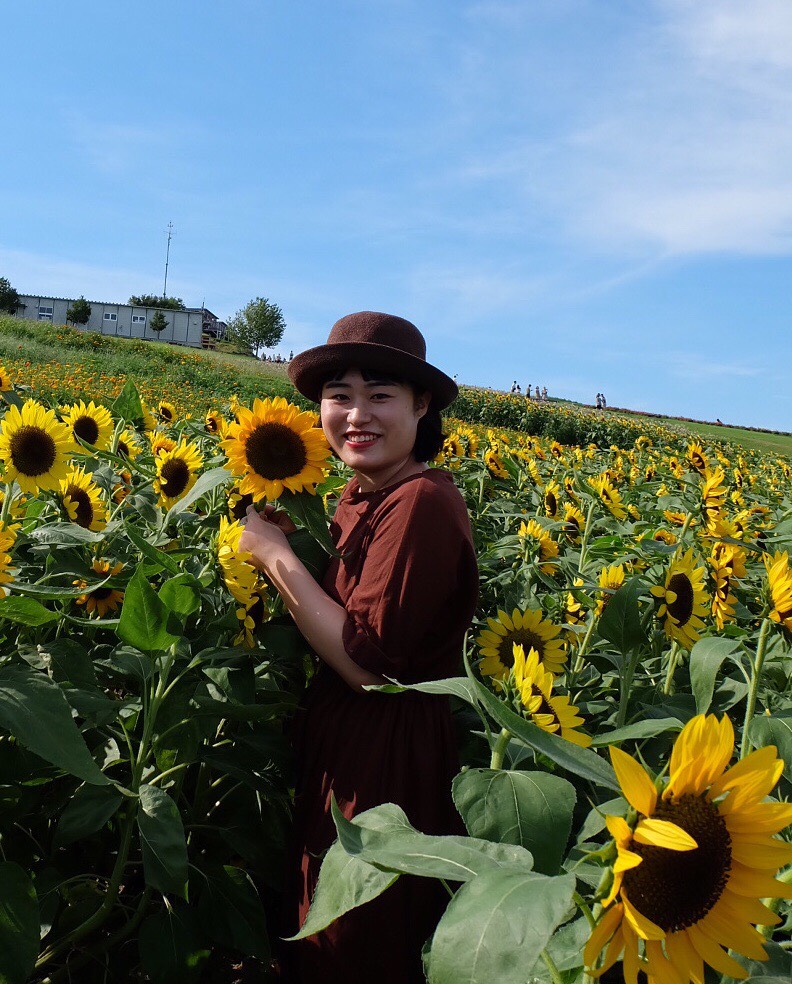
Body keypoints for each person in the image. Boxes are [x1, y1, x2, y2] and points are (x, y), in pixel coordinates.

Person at [237, 311, 479, 983]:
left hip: (387, 761)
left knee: (357, 938)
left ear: (420, 404)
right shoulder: (359, 494)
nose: (355, 414)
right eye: (339, 395)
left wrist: (275, 558)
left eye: (380, 395)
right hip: (343, 745)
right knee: (321, 924)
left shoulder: (420, 501)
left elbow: (370, 669)